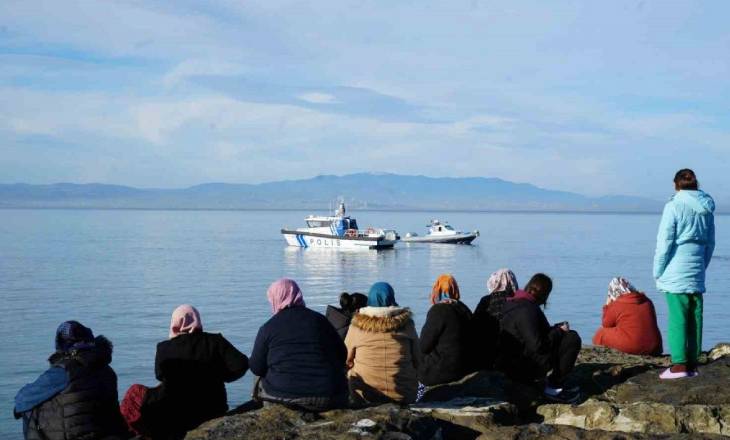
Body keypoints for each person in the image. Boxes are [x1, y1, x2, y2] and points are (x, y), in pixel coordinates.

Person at [120, 304, 249, 439]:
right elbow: (242, 364)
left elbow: (160, 376)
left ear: (174, 322)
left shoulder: (164, 348)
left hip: (175, 413)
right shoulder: (215, 341)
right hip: (213, 409)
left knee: (135, 393)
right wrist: (222, 377)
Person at [14, 321, 129, 440]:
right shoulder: (107, 370)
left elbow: (22, 399)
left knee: (30, 407)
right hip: (109, 432)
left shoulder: (64, 371)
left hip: (75, 435)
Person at [250, 278, 349, 411]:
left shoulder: (268, 327)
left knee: (258, 374)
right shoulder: (320, 320)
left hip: (285, 398)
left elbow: (256, 367)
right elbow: (342, 355)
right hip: (329, 396)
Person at [654, 169, 715, 379]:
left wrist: (658, 270)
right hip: (697, 267)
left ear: (676, 185)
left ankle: (679, 365)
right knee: (695, 315)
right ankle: (693, 361)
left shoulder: (673, 206)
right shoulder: (707, 208)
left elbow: (664, 243)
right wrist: (702, 266)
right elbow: (710, 243)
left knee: (678, 316)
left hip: (676, 267)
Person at [495, 273, 582, 403]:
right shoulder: (528, 310)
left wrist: (555, 329)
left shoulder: (512, 303)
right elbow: (538, 345)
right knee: (571, 338)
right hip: (523, 366)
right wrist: (559, 331)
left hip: (508, 363)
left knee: (564, 335)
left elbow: (529, 333)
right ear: (545, 294)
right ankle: (554, 387)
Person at [345, 282, 420, 404]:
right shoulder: (407, 324)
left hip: (365, 395)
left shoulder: (357, 325)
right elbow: (418, 359)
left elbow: (346, 358)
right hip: (403, 394)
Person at [418, 274, 474, 386]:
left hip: (442, 372)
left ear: (437, 290)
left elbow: (424, 346)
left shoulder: (438, 310)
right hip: (465, 368)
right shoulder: (464, 309)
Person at [592, 277, 663, 356]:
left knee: (600, 333)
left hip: (635, 346)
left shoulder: (617, 304)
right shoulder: (647, 301)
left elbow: (606, 324)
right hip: (655, 347)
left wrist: (607, 305)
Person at [471, 268, 519, 369]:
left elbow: (474, 325)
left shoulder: (485, 301)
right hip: (510, 353)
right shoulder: (517, 302)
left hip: (485, 353)